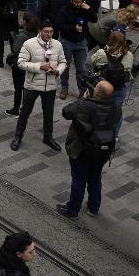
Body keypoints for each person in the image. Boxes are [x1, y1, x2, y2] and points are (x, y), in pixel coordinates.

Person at [55, 81, 121, 219]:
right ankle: (93, 207)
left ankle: (72, 210)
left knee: (79, 180)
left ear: (97, 93)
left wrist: (83, 99)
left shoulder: (84, 105)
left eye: (95, 87)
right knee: (95, 178)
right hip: (102, 150)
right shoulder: (116, 108)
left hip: (81, 149)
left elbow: (66, 112)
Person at [11, 19, 67, 152]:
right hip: (32, 85)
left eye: (51, 32)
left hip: (50, 86)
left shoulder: (57, 45)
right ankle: (18, 137)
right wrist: (38, 66)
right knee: (25, 112)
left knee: (49, 114)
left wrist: (58, 70)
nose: (49, 34)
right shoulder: (29, 44)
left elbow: (63, 62)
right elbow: (20, 63)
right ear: (39, 31)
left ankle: (48, 137)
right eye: (46, 31)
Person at [55, 0, 95, 100]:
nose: (78, 4)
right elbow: (59, 25)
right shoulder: (64, 10)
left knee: (81, 68)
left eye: (80, 1)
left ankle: (82, 89)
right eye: (76, 2)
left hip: (81, 42)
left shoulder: (84, 9)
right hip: (67, 42)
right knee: (65, 65)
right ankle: (64, 88)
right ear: (71, 1)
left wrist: (89, 9)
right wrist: (73, 28)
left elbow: (94, 19)